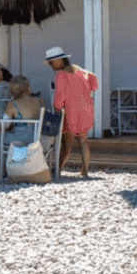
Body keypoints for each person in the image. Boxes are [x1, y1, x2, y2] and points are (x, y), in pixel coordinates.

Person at [47, 47, 99, 177]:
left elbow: (59, 99)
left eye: (51, 62)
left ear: (59, 60)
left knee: (66, 143)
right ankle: (85, 170)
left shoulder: (60, 75)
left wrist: (57, 110)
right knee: (83, 141)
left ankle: (57, 170)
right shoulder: (81, 71)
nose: (50, 65)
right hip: (86, 109)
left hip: (71, 111)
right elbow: (94, 83)